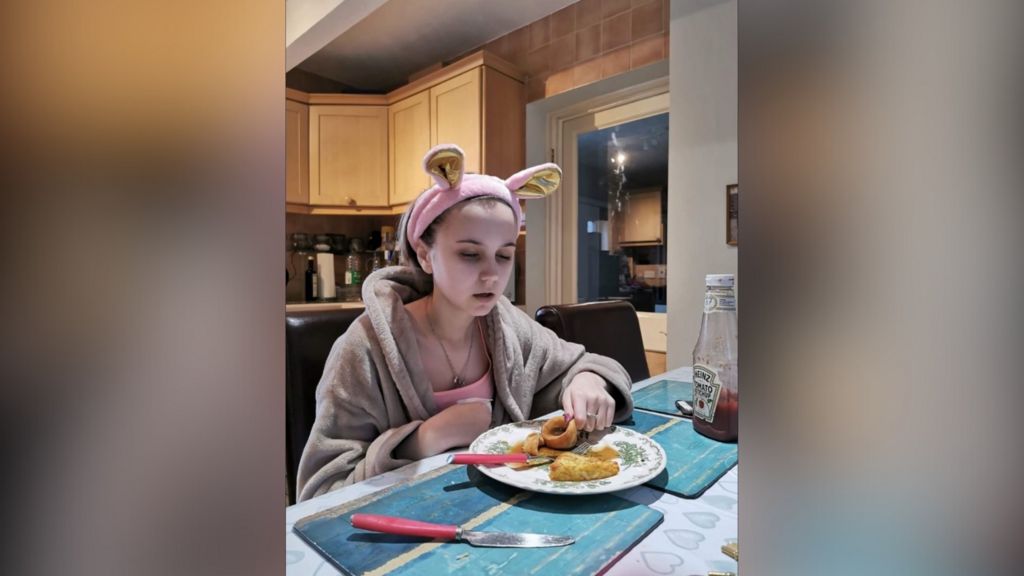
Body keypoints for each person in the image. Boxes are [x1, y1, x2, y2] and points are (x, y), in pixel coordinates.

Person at [296, 144, 633, 502]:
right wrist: (424, 439)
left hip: (499, 511)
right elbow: (319, 492)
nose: (491, 275)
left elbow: (582, 362)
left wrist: (587, 379)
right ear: (425, 255)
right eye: (470, 254)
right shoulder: (363, 348)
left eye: (504, 255)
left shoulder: (506, 324)